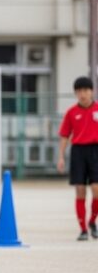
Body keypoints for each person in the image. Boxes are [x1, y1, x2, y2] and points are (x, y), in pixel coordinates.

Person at [57, 76, 98, 241]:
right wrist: (61, 156)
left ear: (92, 91)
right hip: (78, 152)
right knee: (80, 190)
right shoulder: (71, 112)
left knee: (96, 189)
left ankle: (92, 221)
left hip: (96, 151)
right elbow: (65, 135)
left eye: (86, 90)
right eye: (79, 91)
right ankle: (82, 229)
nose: (83, 94)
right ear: (75, 93)